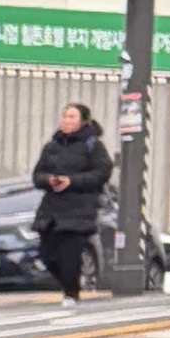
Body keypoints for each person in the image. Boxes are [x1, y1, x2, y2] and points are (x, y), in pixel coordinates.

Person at [32, 101, 111, 301]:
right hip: (52, 211)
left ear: (83, 121)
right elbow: (37, 175)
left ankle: (71, 292)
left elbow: (102, 172)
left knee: (69, 256)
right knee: (47, 255)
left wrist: (72, 181)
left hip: (79, 211)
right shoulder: (52, 146)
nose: (66, 121)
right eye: (65, 116)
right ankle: (69, 285)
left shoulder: (92, 145)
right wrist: (49, 180)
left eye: (72, 117)